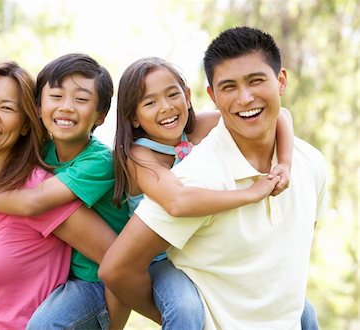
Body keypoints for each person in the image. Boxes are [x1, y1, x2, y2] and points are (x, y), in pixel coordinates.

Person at [100, 26, 327, 330]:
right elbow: (177, 202)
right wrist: (249, 194)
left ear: (281, 81)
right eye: (230, 86)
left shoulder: (307, 160)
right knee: (185, 310)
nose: (245, 98)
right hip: (156, 258)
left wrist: (284, 164)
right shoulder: (161, 164)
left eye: (256, 80)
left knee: (305, 312)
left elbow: (281, 116)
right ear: (214, 95)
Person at [0, 54, 130, 329]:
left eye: (6, 108)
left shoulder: (44, 187)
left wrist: (114, 326)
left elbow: (118, 259)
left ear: (26, 123)